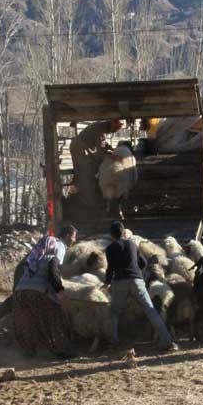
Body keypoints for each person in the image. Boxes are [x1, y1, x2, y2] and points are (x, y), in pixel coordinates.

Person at [0, 225, 78, 331]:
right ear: (67, 236)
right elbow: (53, 267)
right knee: (39, 298)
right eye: (74, 237)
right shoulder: (61, 246)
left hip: (24, 267)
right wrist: (59, 291)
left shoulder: (51, 241)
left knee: (19, 297)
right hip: (29, 272)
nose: (75, 240)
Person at [104, 221, 178, 352]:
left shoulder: (110, 248)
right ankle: (168, 342)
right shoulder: (132, 245)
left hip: (120, 282)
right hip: (137, 281)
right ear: (123, 233)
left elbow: (110, 268)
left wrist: (107, 282)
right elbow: (143, 263)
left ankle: (114, 341)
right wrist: (137, 271)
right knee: (151, 310)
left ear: (112, 235)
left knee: (114, 312)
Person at [12, 231, 76, 359]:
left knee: (29, 321)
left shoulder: (33, 259)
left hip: (20, 294)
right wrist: (60, 291)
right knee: (55, 316)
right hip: (36, 294)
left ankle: (30, 351)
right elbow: (54, 273)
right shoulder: (52, 258)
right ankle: (60, 349)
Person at [69, 119, 124, 211]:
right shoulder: (101, 130)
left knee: (91, 168)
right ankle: (88, 203)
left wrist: (111, 149)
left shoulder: (102, 128)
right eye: (119, 125)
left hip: (82, 148)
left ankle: (86, 196)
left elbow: (103, 144)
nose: (118, 129)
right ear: (113, 122)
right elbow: (100, 152)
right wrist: (113, 157)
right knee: (87, 172)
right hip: (79, 149)